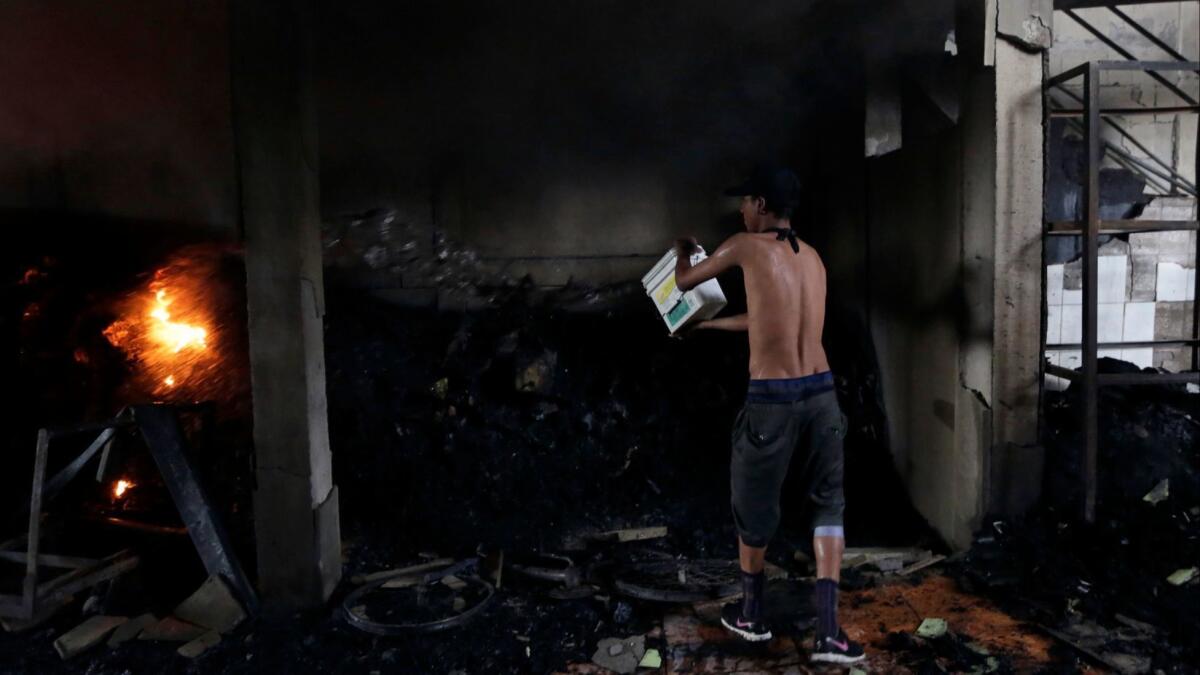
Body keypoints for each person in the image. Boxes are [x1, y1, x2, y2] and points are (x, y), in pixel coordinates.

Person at [672, 165, 864, 665]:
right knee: (828, 505)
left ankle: (752, 616)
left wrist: (683, 251)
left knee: (754, 508)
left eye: (744, 203)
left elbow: (686, 281)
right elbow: (769, 320)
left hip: (772, 402)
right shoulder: (814, 259)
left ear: (761, 204)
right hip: (821, 394)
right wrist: (711, 329)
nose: (740, 211)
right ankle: (829, 634)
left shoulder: (744, 244)